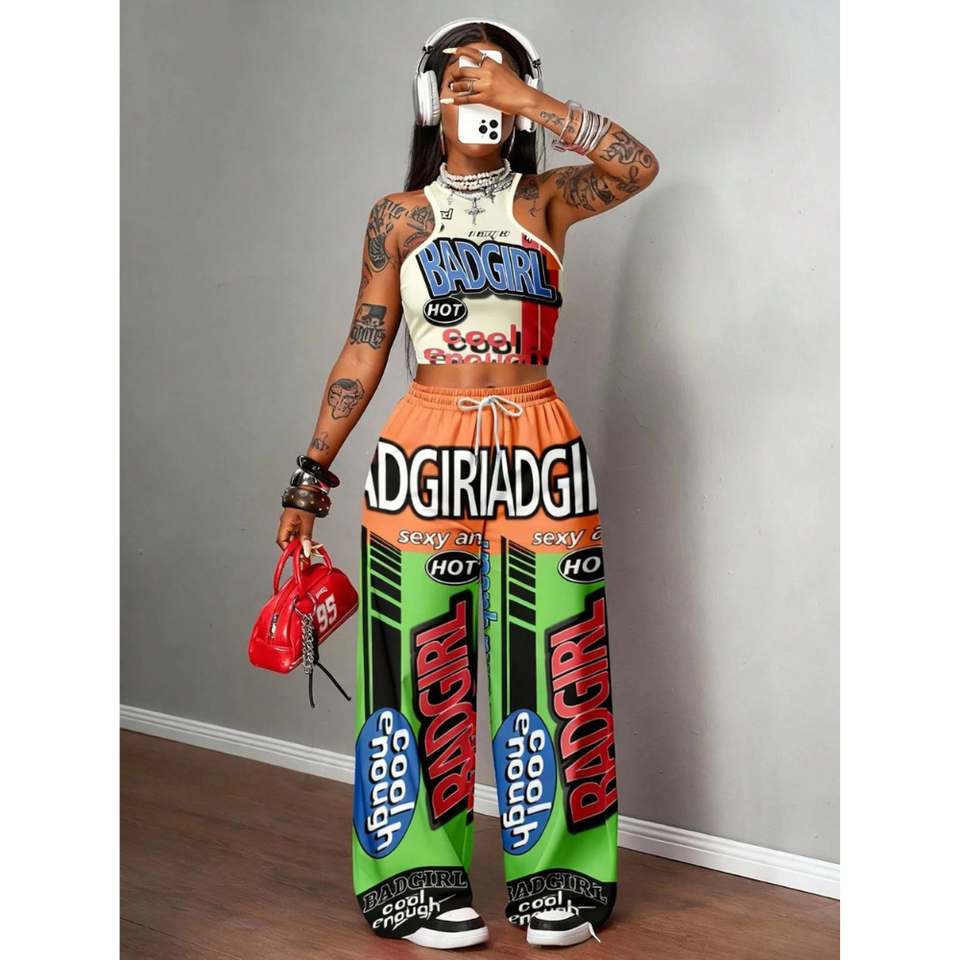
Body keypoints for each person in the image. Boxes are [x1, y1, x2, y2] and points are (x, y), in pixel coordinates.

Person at [276, 18, 658, 950]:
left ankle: (560, 877)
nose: (479, 94)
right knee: (419, 661)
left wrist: (532, 103)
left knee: (560, 655)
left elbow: (637, 166)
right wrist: (310, 473)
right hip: (425, 441)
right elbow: (364, 348)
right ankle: (414, 879)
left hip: (539, 439)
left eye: (497, 79)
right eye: (460, 80)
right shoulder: (398, 218)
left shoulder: (547, 202)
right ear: (428, 102)